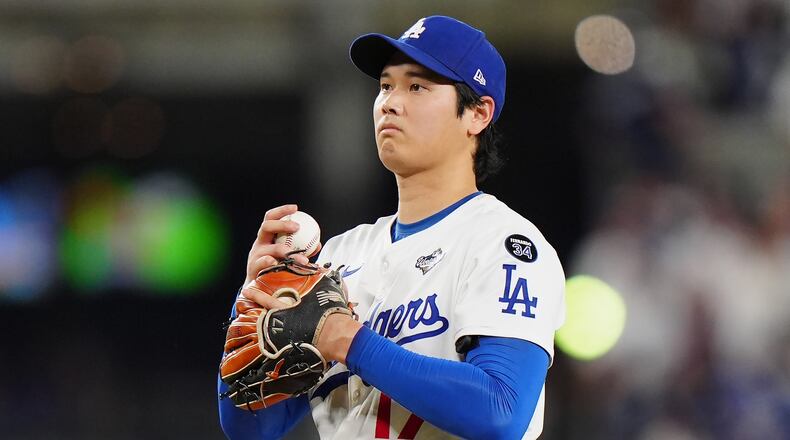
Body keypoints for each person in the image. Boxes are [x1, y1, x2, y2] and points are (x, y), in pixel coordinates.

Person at [218, 15, 566, 440]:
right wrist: (251, 302)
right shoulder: (338, 257)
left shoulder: (504, 245)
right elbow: (251, 429)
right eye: (385, 86)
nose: (389, 103)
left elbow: (501, 411)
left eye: (416, 87)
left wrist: (350, 342)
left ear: (478, 113)